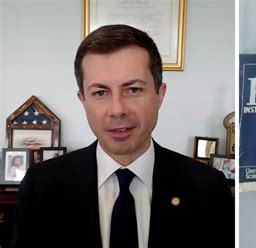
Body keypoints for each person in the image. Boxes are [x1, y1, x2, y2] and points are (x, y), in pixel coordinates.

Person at [11, 24, 234, 248]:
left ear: (160, 94)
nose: (117, 109)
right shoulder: (41, 187)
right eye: (100, 92)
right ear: (83, 100)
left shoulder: (208, 188)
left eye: (133, 89)